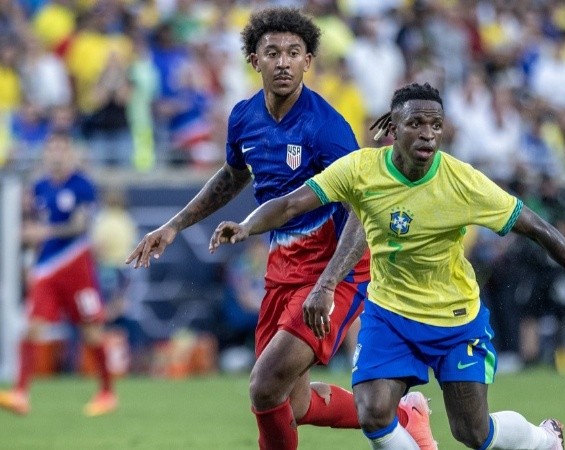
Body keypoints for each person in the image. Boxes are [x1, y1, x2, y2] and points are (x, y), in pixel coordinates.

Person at [209, 82, 565, 450]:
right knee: (373, 413)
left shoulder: (463, 181)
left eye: (435, 125)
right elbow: (292, 202)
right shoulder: (362, 169)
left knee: (474, 433)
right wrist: (245, 226)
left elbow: (540, 229)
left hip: (454, 319)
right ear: (394, 129)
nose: (428, 134)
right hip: (389, 315)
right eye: (416, 124)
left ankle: (543, 439)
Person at [125, 8, 434, 450]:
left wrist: (328, 285)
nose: (283, 62)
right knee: (295, 404)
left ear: (309, 60)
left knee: (263, 386)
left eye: (294, 52)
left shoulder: (327, 128)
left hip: (335, 272)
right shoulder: (244, 117)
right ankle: (407, 415)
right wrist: (174, 225)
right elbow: (234, 175)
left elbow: (363, 213)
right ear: (254, 60)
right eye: (272, 53)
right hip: (282, 271)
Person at [0, 133, 117, 417]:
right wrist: (31, 246)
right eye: (51, 149)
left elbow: (80, 226)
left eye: (61, 149)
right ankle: (21, 393)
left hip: (77, 267)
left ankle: (106, 392)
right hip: (47, 269)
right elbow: (38, 226)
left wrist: (46, 232)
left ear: (70, 154)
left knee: (91, 331)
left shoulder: (82, 185)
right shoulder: (39, 186)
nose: (55, 154)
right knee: (32, 326)